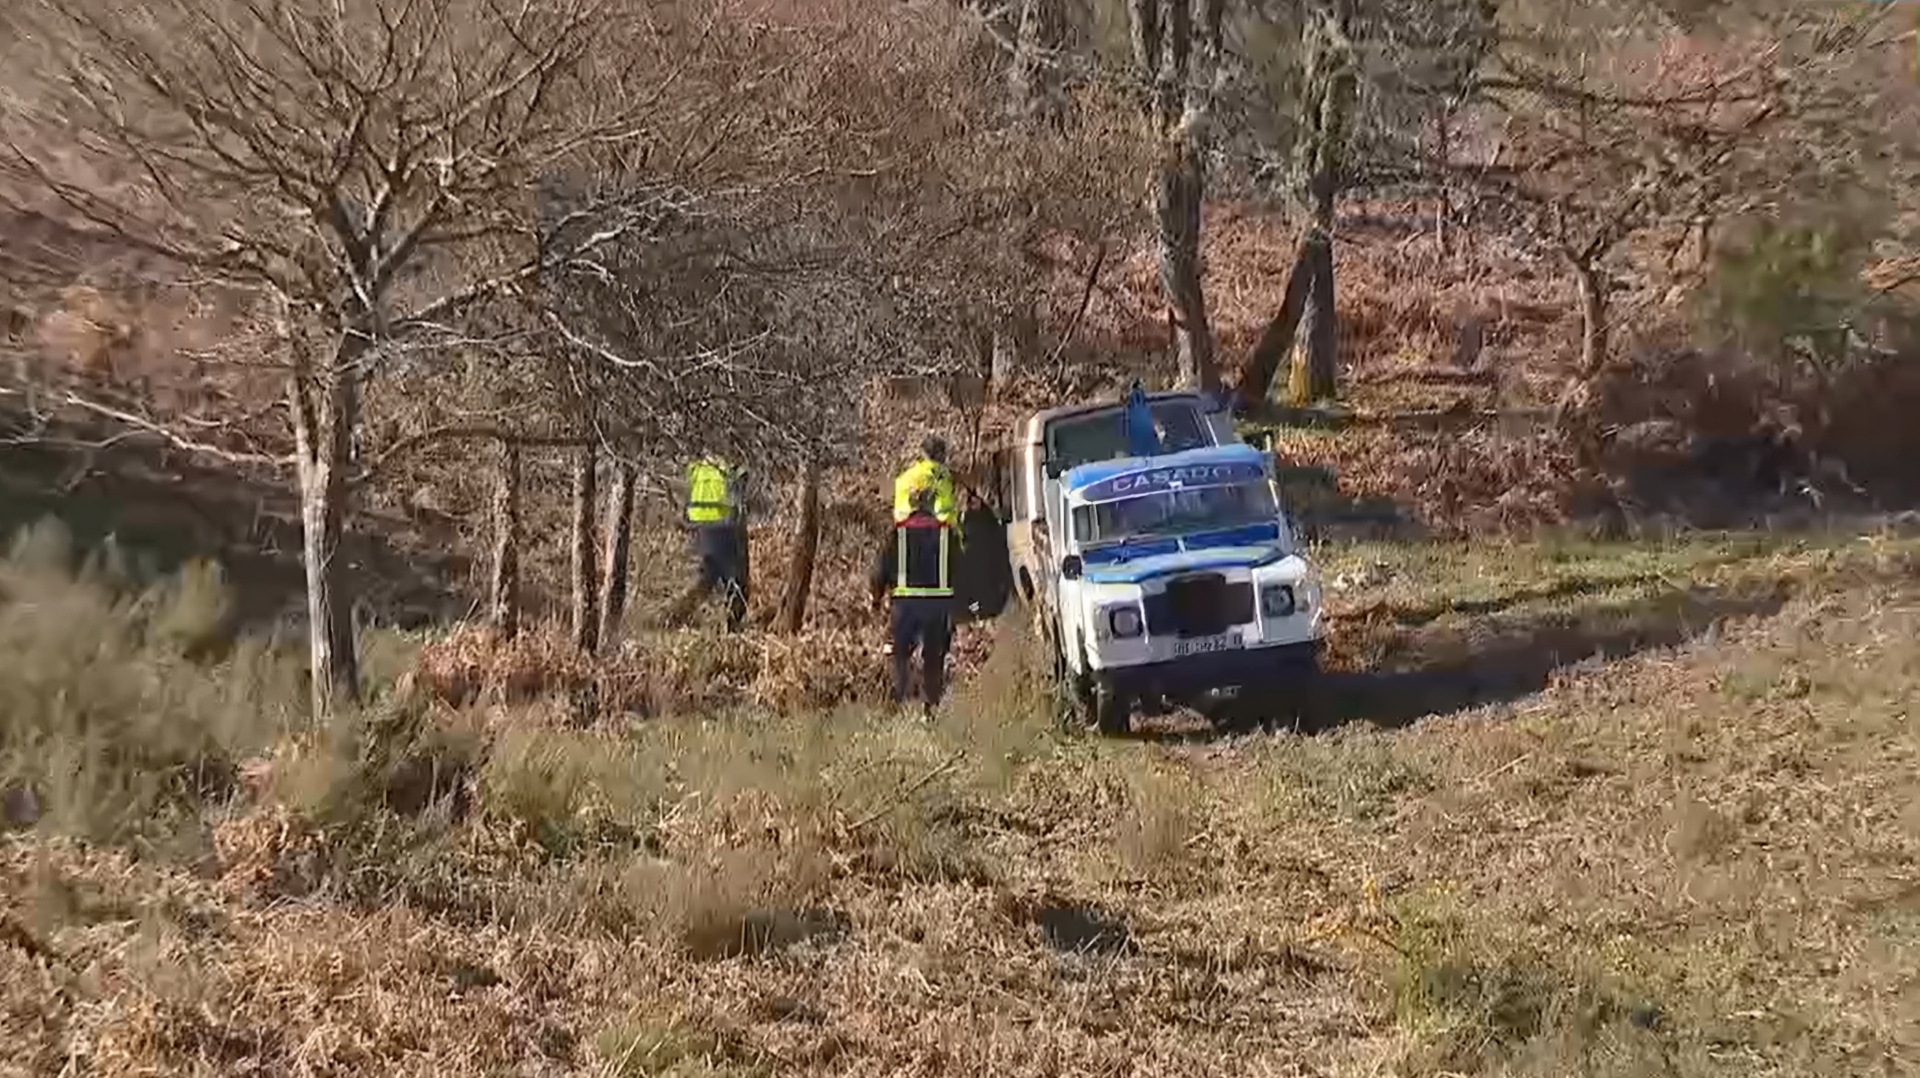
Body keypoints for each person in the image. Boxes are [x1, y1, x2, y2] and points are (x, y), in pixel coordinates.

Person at [870, 484, 956, 715]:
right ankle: (930, 707)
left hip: (906, 606)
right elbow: (961, 571)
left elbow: (880, 569)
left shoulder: (897, 534)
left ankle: (900, 698)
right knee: (933, 656)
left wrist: (876, 598)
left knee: (898, 651)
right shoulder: (946, 533)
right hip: (938, 606)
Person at [677, 452, 748, 632]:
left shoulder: (696, 466)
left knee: (708, 575)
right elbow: (740, 498)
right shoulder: (731, 467)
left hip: (699, 526)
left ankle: (683, 614)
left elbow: (685, 493)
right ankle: (732, 625)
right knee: (733, 577)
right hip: (723, 527)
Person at [892, 435, 959, 530]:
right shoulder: (942, 476)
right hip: (937, 527)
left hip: (905, 525)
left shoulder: (906, 475)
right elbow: (945, 510)